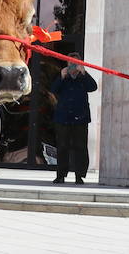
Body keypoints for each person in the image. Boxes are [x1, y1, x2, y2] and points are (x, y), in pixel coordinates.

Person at [49, 56, 97, 184]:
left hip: (80, 118)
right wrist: (61, 77)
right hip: (62, 118)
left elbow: (93, 87)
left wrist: (84, 73)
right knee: (62, 147)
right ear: (67, 63)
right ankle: (60, 175)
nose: (73, 66)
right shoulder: (63, 77)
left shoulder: (83, 78)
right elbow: (53, 89)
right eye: (70, 63)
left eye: (75, 63)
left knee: (80, 147)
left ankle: (79, 175)